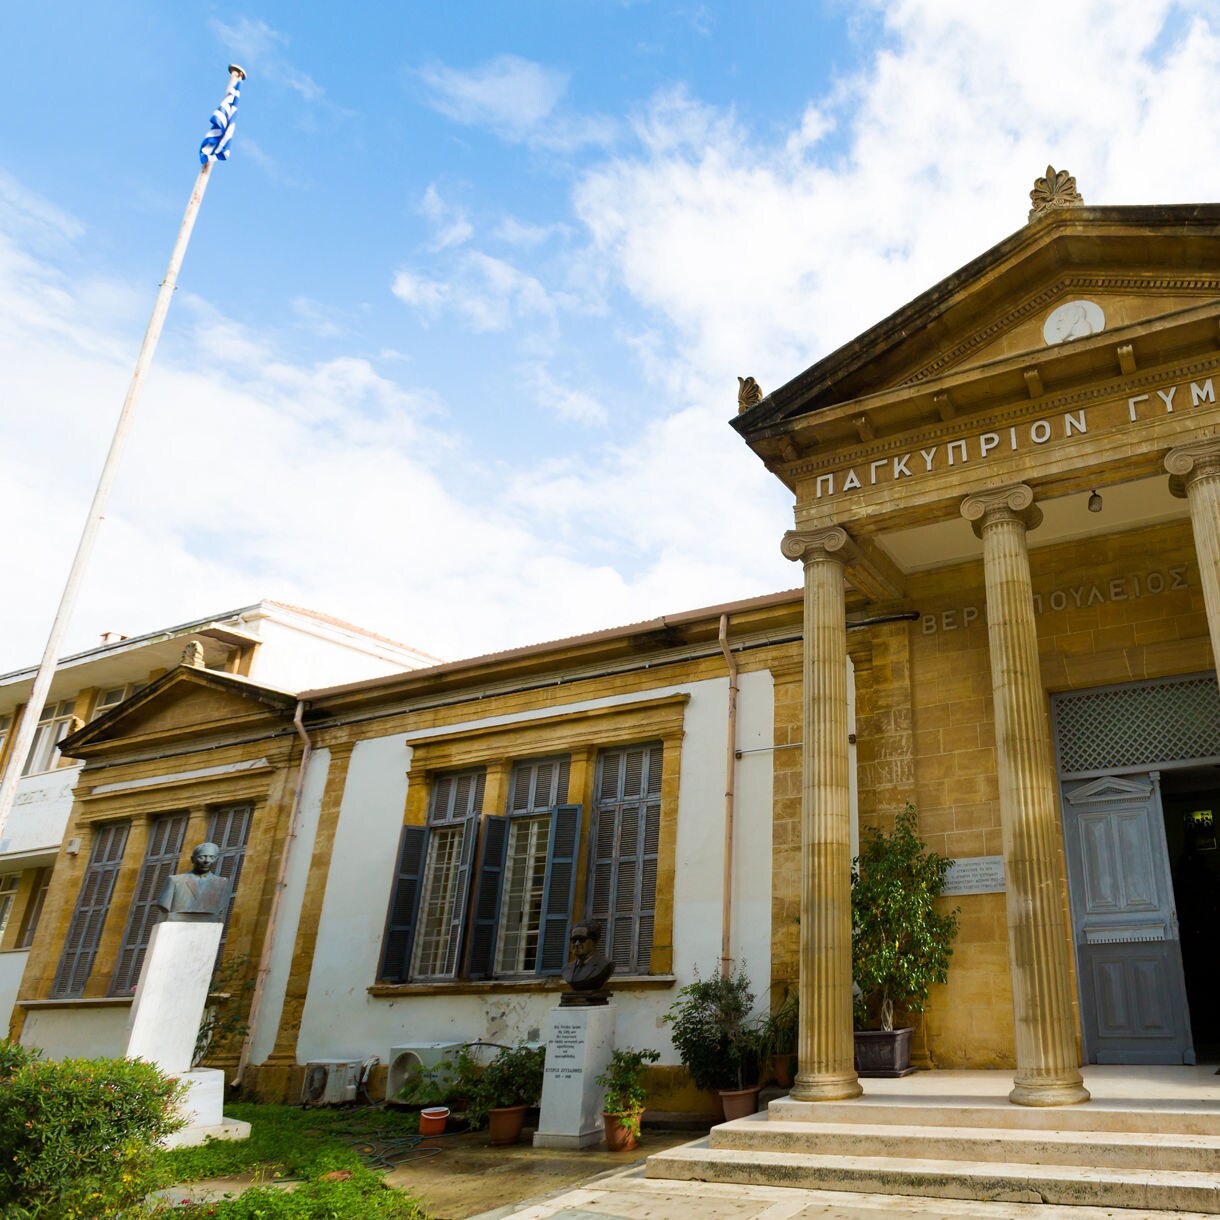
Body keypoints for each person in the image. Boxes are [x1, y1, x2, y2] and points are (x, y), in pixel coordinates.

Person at [155, 842, 231, 922]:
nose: (207, 861)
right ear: (192, 859)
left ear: (216, 859)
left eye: (212, 857)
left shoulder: (222, 883)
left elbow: (221, 906)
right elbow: (164, 905)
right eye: (202, 857)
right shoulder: (174, 881)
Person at [560, 921, 615, 993]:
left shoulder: (605, 965)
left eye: (581, 940)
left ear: (594, 942)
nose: (576, 944)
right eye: (574, 940)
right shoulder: (566, 969)